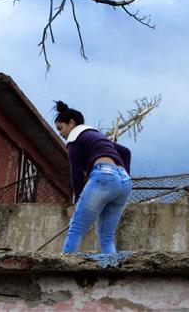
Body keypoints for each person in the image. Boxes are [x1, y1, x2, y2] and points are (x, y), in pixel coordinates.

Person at [54, 100, 133, 254]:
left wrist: (78, 199)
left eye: (60, 128)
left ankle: (65, 273)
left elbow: (76, 173)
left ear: (71, 123)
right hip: (124, 182)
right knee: (107, 237)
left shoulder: (74, 138)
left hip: (104, 176)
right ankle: (110, 273)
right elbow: (125, 152)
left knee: (76, 229)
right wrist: (124, 174)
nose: (60, 133)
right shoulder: (96, 135)